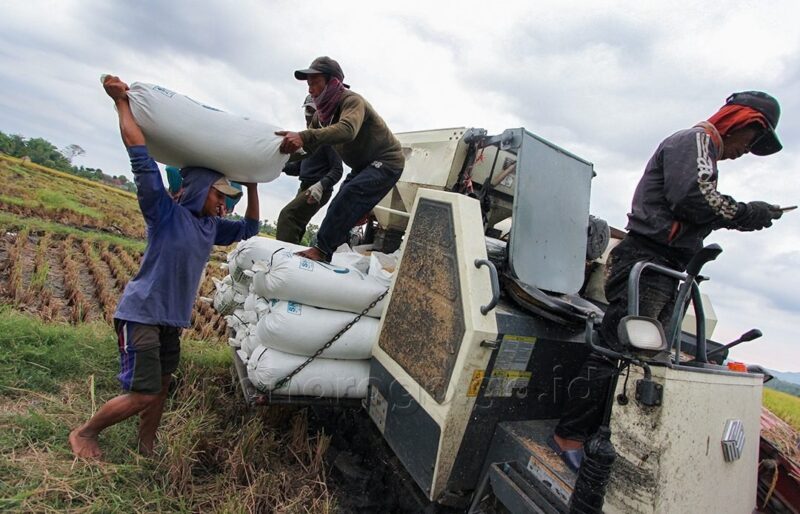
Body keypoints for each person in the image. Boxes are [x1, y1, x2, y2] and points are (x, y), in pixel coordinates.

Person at [551, 91, 786, 472]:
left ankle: (598, 430)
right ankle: (569, 434)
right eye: (752, 140)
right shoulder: (692, 142)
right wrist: (745, 212)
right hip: (647, 260)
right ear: (742, 122)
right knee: (616, 351)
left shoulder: (705, 152)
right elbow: (693, 197)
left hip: (662, 265)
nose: (748, 149)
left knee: (637, 354)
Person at [69, 75, 260, 459]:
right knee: (142, 392)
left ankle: (146, 447)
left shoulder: (210, 227)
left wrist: (253, 182)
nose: (223, 205)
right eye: (218, 195)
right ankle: (85, 433)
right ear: (197, 188)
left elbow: (251, 228)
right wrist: (121, 103)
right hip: (141, 314)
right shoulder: (164, 212)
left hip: (171, 320)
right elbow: (140, 155)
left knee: (162, 386)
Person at [276, 56, 404, 261]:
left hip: (387, 161)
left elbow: (347, 130)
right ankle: (330, 252)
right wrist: (279, 156)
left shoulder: (352, 102)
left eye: (315, 83)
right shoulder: (321, 117)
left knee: (350, 194)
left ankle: (322, 250)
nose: (310, 90)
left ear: (333, 82)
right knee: (338, 204)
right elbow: (310, 148)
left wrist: (304, 136)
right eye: (308, 85)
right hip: (363, 166)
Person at [276, 95, 343, 244]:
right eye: (308, 110)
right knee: (297, 224)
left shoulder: (327, 137)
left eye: (313, 111)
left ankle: (283, 258)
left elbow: (338, 170)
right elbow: (300, 168)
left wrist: (321, 186)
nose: (309, 115)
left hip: (318, 189)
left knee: (288, 216)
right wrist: (279, 165)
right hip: (305, 186)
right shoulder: (308, 139)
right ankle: (292, 260)